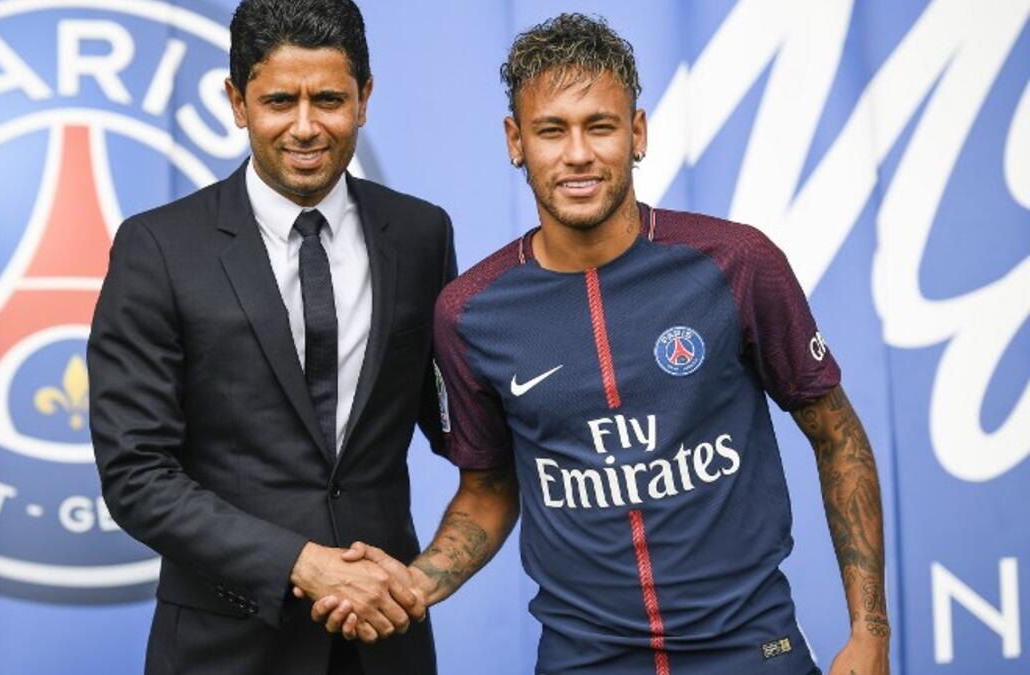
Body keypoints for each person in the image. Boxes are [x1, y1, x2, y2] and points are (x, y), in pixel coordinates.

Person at [314, 13, 889, 675]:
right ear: (516, 140)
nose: (578, 153)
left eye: (601, 125)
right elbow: (490, 487)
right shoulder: (470, 312)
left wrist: (870, 631)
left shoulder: (737, 263)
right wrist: (417, 583)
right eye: (552, 129)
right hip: (585, 660)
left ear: (637, 133)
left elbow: (837, 433)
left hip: (751, 650)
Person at [87, 0, 455, 672]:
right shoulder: (159, 248)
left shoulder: (422, 234)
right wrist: (303, 563)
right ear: (237, 100)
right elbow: (136, 474)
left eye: (330, 100)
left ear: (365, 99)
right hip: (225, 646)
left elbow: (462, 424)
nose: (306, 126)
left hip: (385, 645)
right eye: (280, 100)